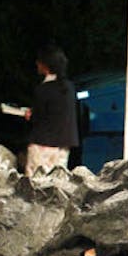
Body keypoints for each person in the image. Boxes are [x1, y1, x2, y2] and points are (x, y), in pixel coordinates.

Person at [25, 44, 79, 176]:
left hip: (43, 143)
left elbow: (38, 118)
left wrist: (30, 115)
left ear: (45, 65)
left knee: (36, 182)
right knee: (57, 182)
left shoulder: (43, 89)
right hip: (63, 144)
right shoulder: (69, 87)